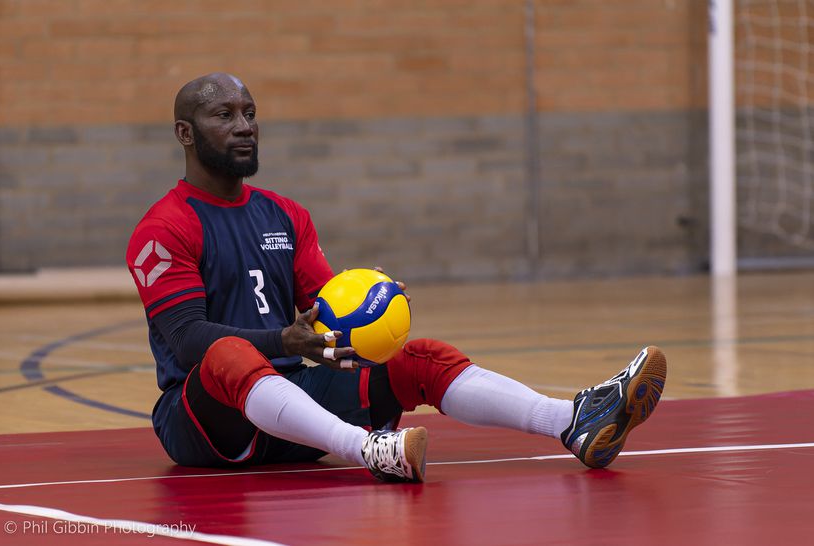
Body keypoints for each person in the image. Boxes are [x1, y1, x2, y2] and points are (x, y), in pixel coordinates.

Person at [126, 73, 667, 482]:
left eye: (250, 112)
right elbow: (188, 339)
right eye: (225, 115)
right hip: (206, 422)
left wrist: (372, 305)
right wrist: (281, 341)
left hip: (294, 409)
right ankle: (372, 451)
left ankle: (572, 419)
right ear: (185, 133)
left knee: (421, 359)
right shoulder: (165, 227)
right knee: (226, 352)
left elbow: (327, 311)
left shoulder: (285, 214)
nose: (244, 125)